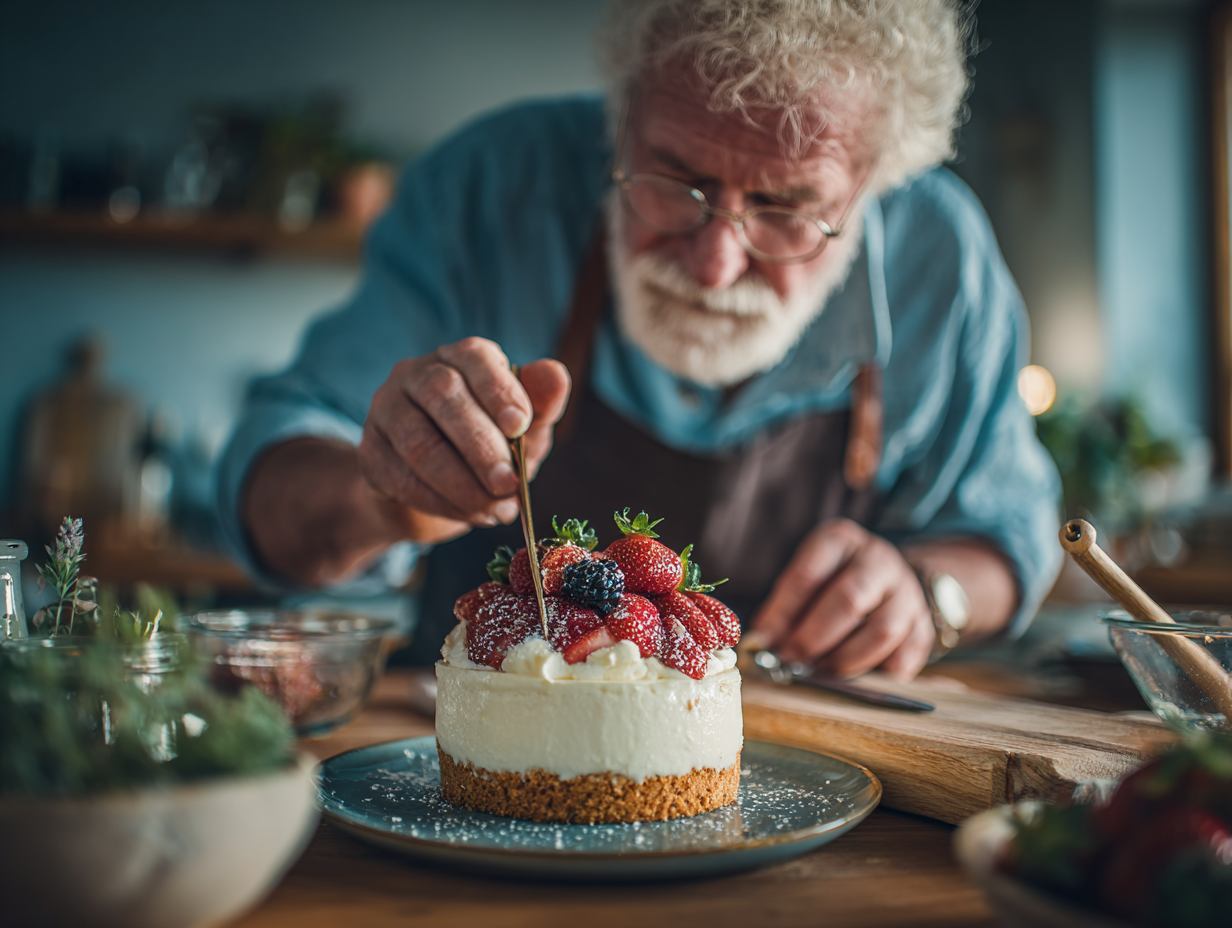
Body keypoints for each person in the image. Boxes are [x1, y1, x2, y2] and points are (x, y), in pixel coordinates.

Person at [217, 0, 1062, 680]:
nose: (715, 260)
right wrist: (379, 493)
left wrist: (926, 591)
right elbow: (264, 496)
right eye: (678, 181)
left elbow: (1010, 534)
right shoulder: (486, 192)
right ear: (618, 121)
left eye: (784, 209)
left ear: (876, 186)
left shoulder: (940, 257)